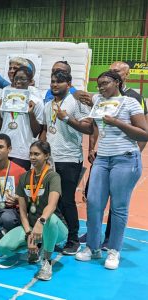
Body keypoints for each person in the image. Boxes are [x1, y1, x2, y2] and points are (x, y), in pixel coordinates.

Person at [75, 71, 148, 270]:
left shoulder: (130, 103)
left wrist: (117, 122)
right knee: (93, 203)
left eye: (105, 83)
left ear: (117, 82)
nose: (101, 87)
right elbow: (79, 94)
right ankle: (93, 247)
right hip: (102, 159)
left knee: (118, 208)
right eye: (98, 84)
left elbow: (145, 133)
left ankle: (114, 250)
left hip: (125, 159)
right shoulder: (98, 100)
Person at [39, 70, 93, 255]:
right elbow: (47, 130)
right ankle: (58, 235)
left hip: (70, 158)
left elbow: (89, 128)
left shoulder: (77, 102)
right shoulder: (48, 105)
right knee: (54, 200)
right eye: (52, 81)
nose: (54, 85)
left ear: (69, 84)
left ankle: (73, 239)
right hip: (51, 161)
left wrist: (67, 118)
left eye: (59, 82)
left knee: (68, 200)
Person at [0, 141, 67, 281]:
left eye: (37, 154)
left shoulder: (53, 177)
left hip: (55, 228)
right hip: (32, 226)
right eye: (31, 154)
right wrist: (29, 233)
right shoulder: (24, 177)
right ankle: (34, 248)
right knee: (3, 247)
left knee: (50, 219)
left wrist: (41, 222)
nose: (33, 157)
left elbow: (52, 205)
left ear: (46, 155)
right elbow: (22, 211)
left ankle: (47, 261)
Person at [0, 66, 44, 170]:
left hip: (22, 152)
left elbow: (36, 132)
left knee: (18, 184)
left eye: (22, 79)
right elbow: (0, 126)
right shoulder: (5, 98)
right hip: (3, 150)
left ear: (30, 81)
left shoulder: (36, 102)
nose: (18, 81)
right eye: (16, 78)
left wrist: (31, 114)